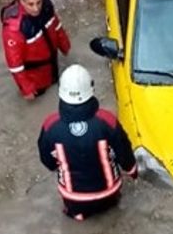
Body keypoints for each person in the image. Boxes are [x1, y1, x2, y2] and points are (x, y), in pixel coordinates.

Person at [37, 64, 137, 221]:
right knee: (114, 218)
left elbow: (47, 161)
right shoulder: (107, 120)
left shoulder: (51, 126)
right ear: (91, 89)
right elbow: (124, 152)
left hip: (74, 199)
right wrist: (133, 172)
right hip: (109, 192)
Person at [0, 0, 71, 99]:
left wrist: (65, 45)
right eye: (31, 4)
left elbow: (56, 26)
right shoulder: (14, 28)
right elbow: (14, 64)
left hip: (51, 63)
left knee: (54, 84)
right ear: (22, 2)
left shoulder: (46, 8)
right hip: (35, 75)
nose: (36, 8)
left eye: (39, 2)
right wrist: (27, 89)